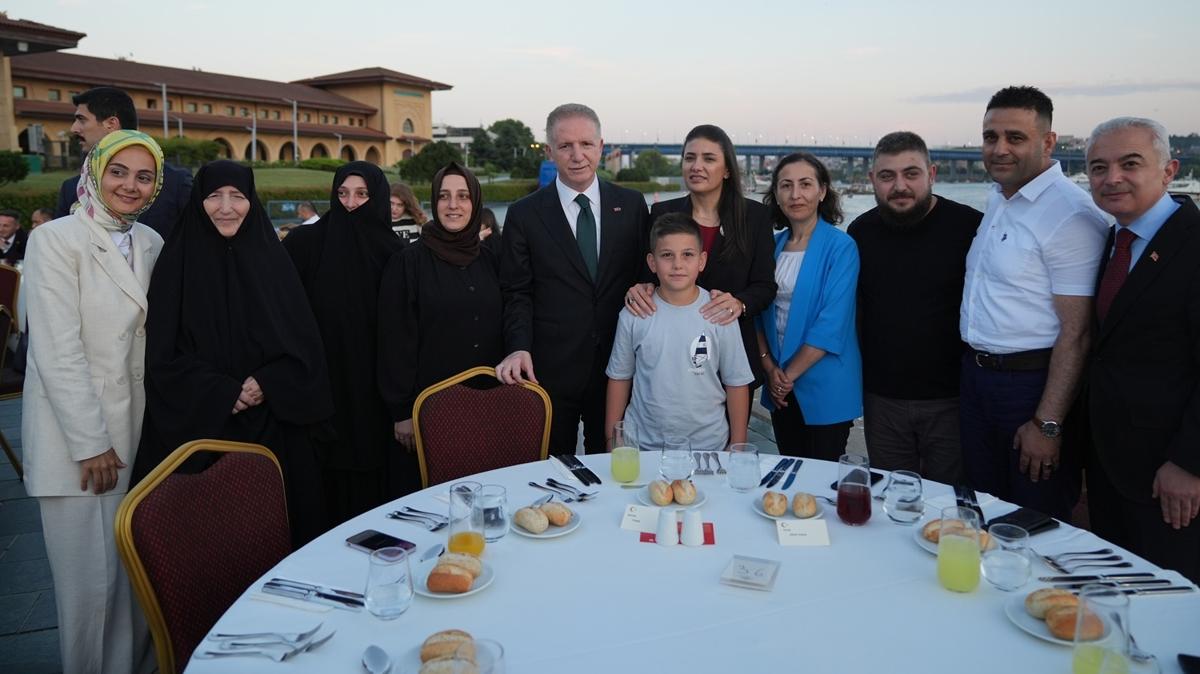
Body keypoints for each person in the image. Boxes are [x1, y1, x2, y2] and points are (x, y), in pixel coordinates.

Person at [131, 160, 334, 546]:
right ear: (197, 202)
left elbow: (305, 348)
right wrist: (223, 392)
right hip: (204, 430)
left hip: (275, 428)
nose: (226, 207)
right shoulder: (176, 264)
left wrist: (268, 382)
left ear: (251, 201)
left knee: (283, 536)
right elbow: (161, 356)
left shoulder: (274, 263)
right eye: (213, 196)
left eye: (237, 196)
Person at [23, 129, 165, 674]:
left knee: (128, 576)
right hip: (78, 443)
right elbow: (57, 352)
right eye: (119, 172)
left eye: (144, 175)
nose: (130, 185)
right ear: (95, 171)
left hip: (137, 433)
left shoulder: (150, 240)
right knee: (88, 590)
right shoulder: (56, 240)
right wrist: (89, 443)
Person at [959, 86, 1108, 521]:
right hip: (977, 378)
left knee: (1032, 519)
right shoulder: (998, 199)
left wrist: (1048, 423)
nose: (999, 149)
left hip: (1031, 386)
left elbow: (1077, 334)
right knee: (982, 510)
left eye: (1015, 137)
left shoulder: (1071, 215)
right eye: (990, 137)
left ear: (1048, 142)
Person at [1083, 117, 1200, 583]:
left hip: (1169, 474)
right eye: (1098, 168)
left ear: (1169, 170)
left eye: (1130, 164)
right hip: (1112, 468)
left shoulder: (1193, 244)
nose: (1112, 178)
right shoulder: (1114, 239)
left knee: (1170, 602)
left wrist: (1190, 462)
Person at [495, 103, 650, 454]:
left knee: (614, 467)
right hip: (550, 369)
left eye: (586, 144)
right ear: (550, 151)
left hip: (618, 367)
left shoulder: (631, 205)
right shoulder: (524, 214)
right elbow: (516, 290)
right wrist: (518, 346)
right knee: (552, 470)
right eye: (565, 146)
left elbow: (644, 274)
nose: (577, 155)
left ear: (602, 146)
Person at [847, 132, 982, 484]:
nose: (900, 186)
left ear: (932, 174)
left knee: (949, 503)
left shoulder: (971, 227)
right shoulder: (859, 233)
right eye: (887, 176)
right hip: (882, 399)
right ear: (872, 180)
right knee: (892, 501)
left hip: (952, 398)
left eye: (911, 174)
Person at [284, 161, 407, 521]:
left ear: (378, 197)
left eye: (362, 194)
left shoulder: (395, 253)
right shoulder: (306, 244)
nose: (351, 203)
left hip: (375, 393)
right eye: (342, 193)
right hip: (322, 390)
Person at [625, 124, 777, 395]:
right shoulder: (661, 212)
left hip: (728, 353)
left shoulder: (755, 217)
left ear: (728, 169)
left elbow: (765, 286)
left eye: (708, 159)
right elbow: (647, 275)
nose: (696, 166)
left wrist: (740, 303)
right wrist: (640, 288)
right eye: (689, 158)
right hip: (668, 356)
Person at [379, 162, 504, 450]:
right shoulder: (408, 262)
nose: (452, 205)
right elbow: (395, 341)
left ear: (475, 201)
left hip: (490, 404)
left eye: (463, 196)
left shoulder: (491, 259)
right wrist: (402, 412)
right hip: (431, 408)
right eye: (444, 196)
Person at [606, 213, 753, 450]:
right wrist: (613, 440)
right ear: (652, 262)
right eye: (667, 255)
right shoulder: (633, 315)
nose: (677, 264)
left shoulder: (720, 314)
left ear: (702, 260)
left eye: (687, 255)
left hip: (708, 446)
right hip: (643, 447)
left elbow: (736, 383)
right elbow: (619, 377)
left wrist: (737, 445)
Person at [756, 153, 861, 460]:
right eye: (785, 186)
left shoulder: (841, 247)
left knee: (823, 481)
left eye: (805, 184)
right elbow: (758, 314)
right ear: (776, 194)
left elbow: (832, 324)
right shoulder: (770, 245)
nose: (795, 194)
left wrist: (785, 377)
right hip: (778, 384)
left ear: (822, 191)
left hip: (825, 383)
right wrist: (769, 368)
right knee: (791, 472)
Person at [54, 87, 192, 240]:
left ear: (111, 124)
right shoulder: (72, 189)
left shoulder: (176, 184)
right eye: (117, 173)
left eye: (81, 119)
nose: (74, 128)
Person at [390, 181, 427, 246]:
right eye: (391, 203)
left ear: (406, 205)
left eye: (400, 205)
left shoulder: (416, 220)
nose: (394, 208)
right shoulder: (380, 222)